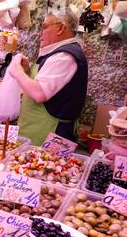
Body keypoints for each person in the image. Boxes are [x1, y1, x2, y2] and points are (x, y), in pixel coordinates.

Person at [8, 8, 88, 145]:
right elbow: (42, 84)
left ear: (61, 28)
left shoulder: (64, 56)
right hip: (36, 128)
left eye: (44, 27)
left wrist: (17, 72)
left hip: (49, 131)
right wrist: (27, 71)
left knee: (46, 166)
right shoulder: (56, 53)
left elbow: (39, 93)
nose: (40, 34)